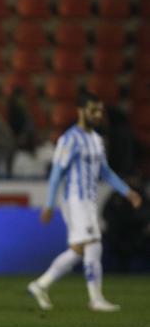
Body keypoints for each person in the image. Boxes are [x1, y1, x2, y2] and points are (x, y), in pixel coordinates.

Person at [27, 90, 143, 312]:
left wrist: (128, 192)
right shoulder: (69, 139)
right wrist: (50, 203)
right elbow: (56, 174)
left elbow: (106, 172)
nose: (99, 114)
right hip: (74, 200)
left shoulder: (97, 140)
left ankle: (40, 284)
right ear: (81, 111)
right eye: (94, 110)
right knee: (94, 244)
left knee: (79, 249)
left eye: (100, 110)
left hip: (88, 200)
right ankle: (95, 299)